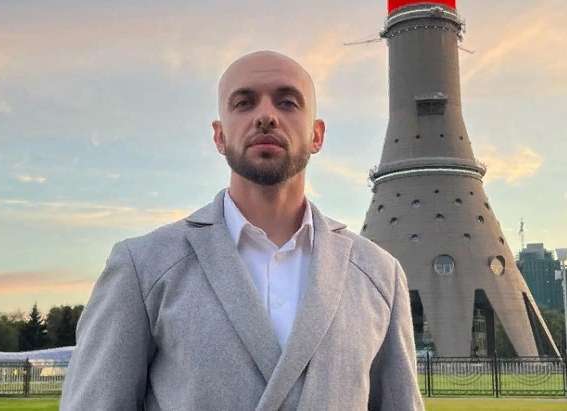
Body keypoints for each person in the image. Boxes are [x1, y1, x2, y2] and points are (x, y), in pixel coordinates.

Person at [60, 50, 424, 410]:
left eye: (287, 102)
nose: (266, 116)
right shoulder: (144, 267)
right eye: (244, 103)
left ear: (317, 134)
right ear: (219, 136)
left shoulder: (378, 275)